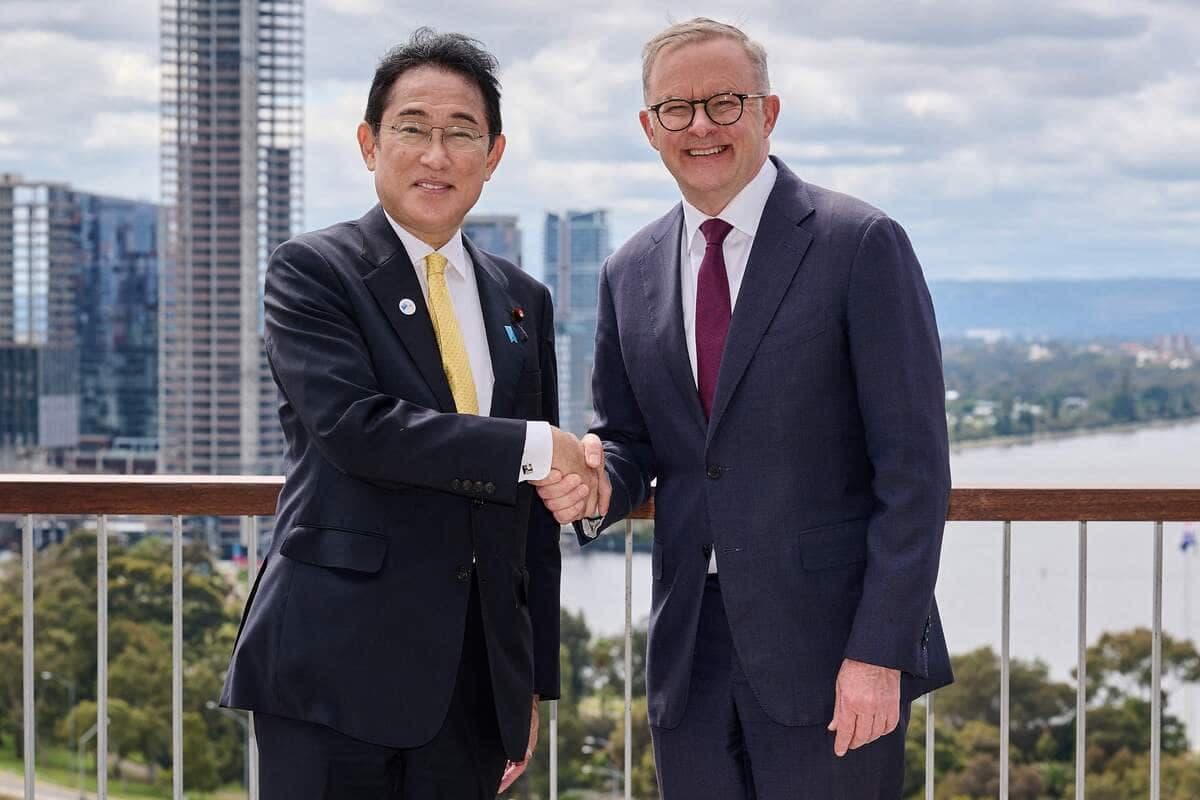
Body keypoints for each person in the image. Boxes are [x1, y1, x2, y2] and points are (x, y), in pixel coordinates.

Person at [536, 17, 953, 799]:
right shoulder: (630, 271)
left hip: (833, 656)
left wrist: (880, 653)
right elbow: (630, 443)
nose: (701, 126)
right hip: (690, 659)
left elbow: (916, 470)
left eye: (725, 102)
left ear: (769, 111)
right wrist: (593, 483)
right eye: (676, 109)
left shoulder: (860, 243)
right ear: (648, 128)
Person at [221, 28, 600, 799]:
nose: (437, 155)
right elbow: (357, 430)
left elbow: (531, 527)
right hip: (331, 670)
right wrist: (539, 445)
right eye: (413, 129)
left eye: (462, 133)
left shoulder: (524, 300)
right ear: (369, 143)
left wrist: (527, 680)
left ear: (493, 156)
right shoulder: (314, 270)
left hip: (468, 685)